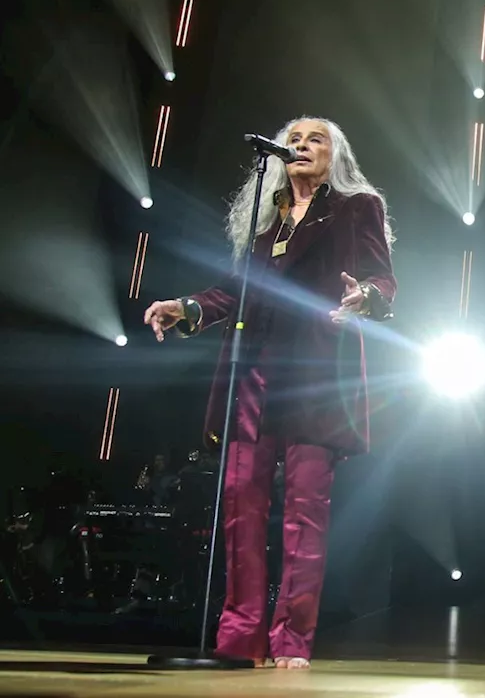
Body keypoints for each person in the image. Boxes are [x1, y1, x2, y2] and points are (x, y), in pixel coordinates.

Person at [143, 116, 396, 669]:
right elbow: (234, 293)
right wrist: (186, 308)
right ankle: (239, 639)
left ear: (337, 156)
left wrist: (368, 297)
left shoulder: (357, 208)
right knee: (240, 510)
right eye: (295, 139)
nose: (302, 145)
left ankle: (291, 641)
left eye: (316, 139)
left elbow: (382, 277)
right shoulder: (267, 222)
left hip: (315, 374)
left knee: (305, 514)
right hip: (252, 376)